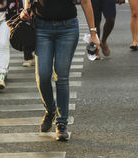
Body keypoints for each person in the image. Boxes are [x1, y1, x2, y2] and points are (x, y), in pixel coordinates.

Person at [21, 0, 100, 141]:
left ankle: (61, 123)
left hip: (68, 28)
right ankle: (50, 109)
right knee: (43, 75)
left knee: (61, 76)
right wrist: (26, 8)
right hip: (42, 27)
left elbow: (86, 2)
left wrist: (93, 33)